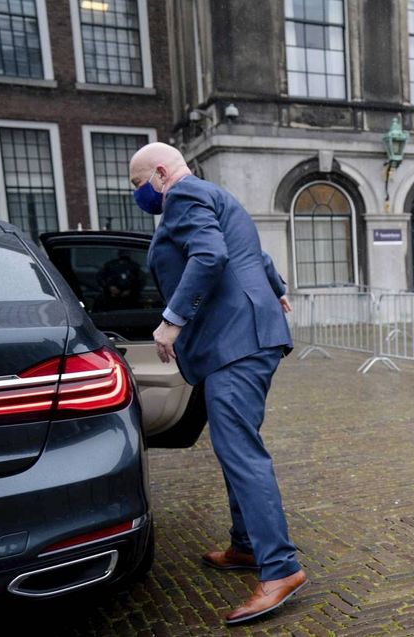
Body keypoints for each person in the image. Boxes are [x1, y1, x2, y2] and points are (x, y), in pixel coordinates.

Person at [128, 142, 307, 625]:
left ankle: (281, 569)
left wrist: (171, 320)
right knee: (235, 446)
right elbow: (252, 250)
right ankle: (247, 546)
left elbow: (210, 254)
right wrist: (276, 289)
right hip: (244, 337)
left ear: (162, 174)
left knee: (242, 452)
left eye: (137, 185)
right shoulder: (214, 194)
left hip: (236, 343)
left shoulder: (183, 198)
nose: (137, 195)